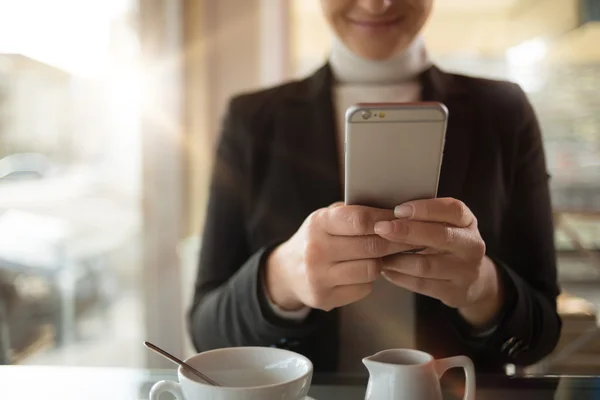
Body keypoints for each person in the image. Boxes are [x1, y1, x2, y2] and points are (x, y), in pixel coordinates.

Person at [188, 0, 561, 374]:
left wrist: (482, 288)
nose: (376, 3)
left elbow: (540, 337)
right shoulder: (252, 120)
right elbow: (205, 332)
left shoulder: (503, 112)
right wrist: (281, 279)